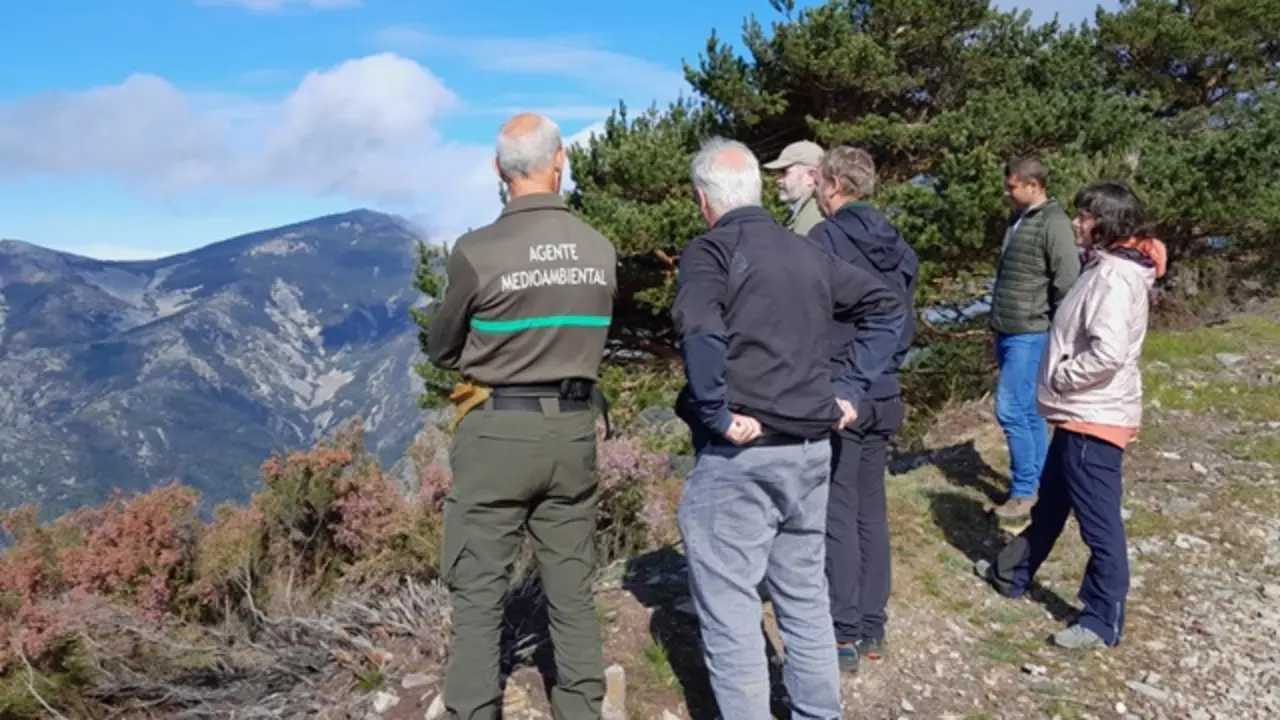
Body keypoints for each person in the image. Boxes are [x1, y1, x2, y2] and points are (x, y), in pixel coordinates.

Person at [672, 136, 906, 720]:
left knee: (731, 610)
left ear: (704, 200)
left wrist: (715, 414)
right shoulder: (806, 250)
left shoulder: (710, 252)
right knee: (804, 597)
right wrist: (850, 390)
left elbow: (700, 330)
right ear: (755, 189)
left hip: (743, 456)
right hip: (810, 452)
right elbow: (887, 308)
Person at [425, 112, 618, 720]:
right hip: (573, 430)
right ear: (560, 160)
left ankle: (473, 709)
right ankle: (582, 708)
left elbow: (442, 349)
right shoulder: (599, 248)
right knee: (572, 589)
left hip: (498, 432)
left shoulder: (477, 252)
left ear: (497, 169)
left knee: (479, 592)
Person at [974, 180, 1167, 650]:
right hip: (1080, 414)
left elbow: (1109, 353)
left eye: (1085, 217)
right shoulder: (1105, 266)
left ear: (1107, 223)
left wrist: (1061, 378)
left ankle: (1102, 621)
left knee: (1099, 525)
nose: (1076, 223)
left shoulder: (1115, 277)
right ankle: (1012, 573)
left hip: (1093, 417)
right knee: (1051, 505)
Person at [807, 146, 919, 672]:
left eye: (818, 182)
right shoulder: (898, 243)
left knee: (839, 510)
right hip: (886, 388)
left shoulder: (823, 240)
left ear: (833, 185)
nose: (814, 190)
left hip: (841, 390)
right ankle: (874, 626)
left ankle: (843, 633)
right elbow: (901, 319)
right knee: (872, 509)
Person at [988, 157, 1082, 522]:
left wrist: (1063, 339)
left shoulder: (1053, 223)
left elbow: (1066, 282)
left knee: (1010, 408)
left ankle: (1025, 492)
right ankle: (1043, 488)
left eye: (1012, 186)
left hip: (1031, 332)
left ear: (1033, 185)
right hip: (1009, 329)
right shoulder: (1019, 219)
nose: (1007, 192)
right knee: (1028, 411)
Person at [762, 140, 826, 235]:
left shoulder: (814, 217)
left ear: (811, 175)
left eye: (784, 172)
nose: (778, 180)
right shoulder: (803, 211)